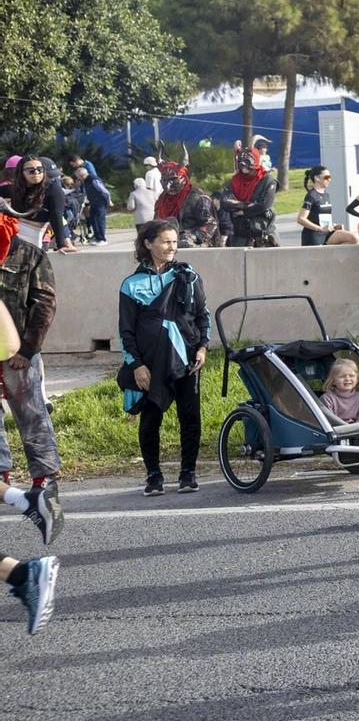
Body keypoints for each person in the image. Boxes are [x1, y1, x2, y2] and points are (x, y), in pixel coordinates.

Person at [118, 219, 210, 495]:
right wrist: (137, 365)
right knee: (151, 419)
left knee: (190, 416)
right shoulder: (131, 284)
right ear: (148, 244)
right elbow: (126, 330)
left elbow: (202, 315)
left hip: (187, 360)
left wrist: (203, 347)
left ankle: (188, 473)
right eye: (165, 241)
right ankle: (154, 477)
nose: (172, 247)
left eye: (174, 241)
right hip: (150, 363)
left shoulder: (188, 275)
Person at [0, 214, 61, 542]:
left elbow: (45, 302)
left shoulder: (28, 254)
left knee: (32, 415)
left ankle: (44, 481)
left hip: (18, 353)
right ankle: (3, 480)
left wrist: (28, 348)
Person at [5, 158, 69, 254]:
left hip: (33, 235)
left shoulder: (53, 189)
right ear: (22, 173)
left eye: (40, 169)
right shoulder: (17, 188)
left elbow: (57, 217)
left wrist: (62, 244)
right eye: (31, 171)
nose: (36, 173)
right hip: (13, 231)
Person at [217, 148, 278, 248]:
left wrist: (242, 210)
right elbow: (224, 203)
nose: (243, 166)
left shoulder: (268, 181)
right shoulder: (235, 181)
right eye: (241, 163)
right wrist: (249, 205)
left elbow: (264, 206)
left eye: (247, 162)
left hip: (263, 234)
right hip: (240, 236)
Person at [151, 160, 216, 248]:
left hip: (195, 248)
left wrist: (192, 237)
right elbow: (156, 223)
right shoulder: (161, 201)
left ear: (183, 177)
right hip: (167, 247)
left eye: (173, 179)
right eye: (165, 180)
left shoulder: (198, 198)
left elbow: (210, 224)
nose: (169, 184)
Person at [317, 358, 359, 426]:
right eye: (342, 376)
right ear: (333, 381)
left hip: (358, 430)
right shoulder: (327, 399)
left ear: (357, 379)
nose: (347, 379)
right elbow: (328, 421)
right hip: (337, 431)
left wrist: (355, 428)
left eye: (351, 376)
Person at [67, 160, 111, 245]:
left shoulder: (93, 179)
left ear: (82, 175)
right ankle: (97, 236)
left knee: (100, 220)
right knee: (93, 219)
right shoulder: (86, 181)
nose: (78, 179)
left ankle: (102, 239)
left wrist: (109, 200)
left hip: (100, 202)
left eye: (78, 177)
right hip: (94, 202)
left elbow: (104, 191)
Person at [129, 155, 162, 226]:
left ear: (149, 165)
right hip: (160, 197)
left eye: (146, 165)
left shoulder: (149, 173)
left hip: (153, 197)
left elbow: (149, 187)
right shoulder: (159, 172)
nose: (146, 167)